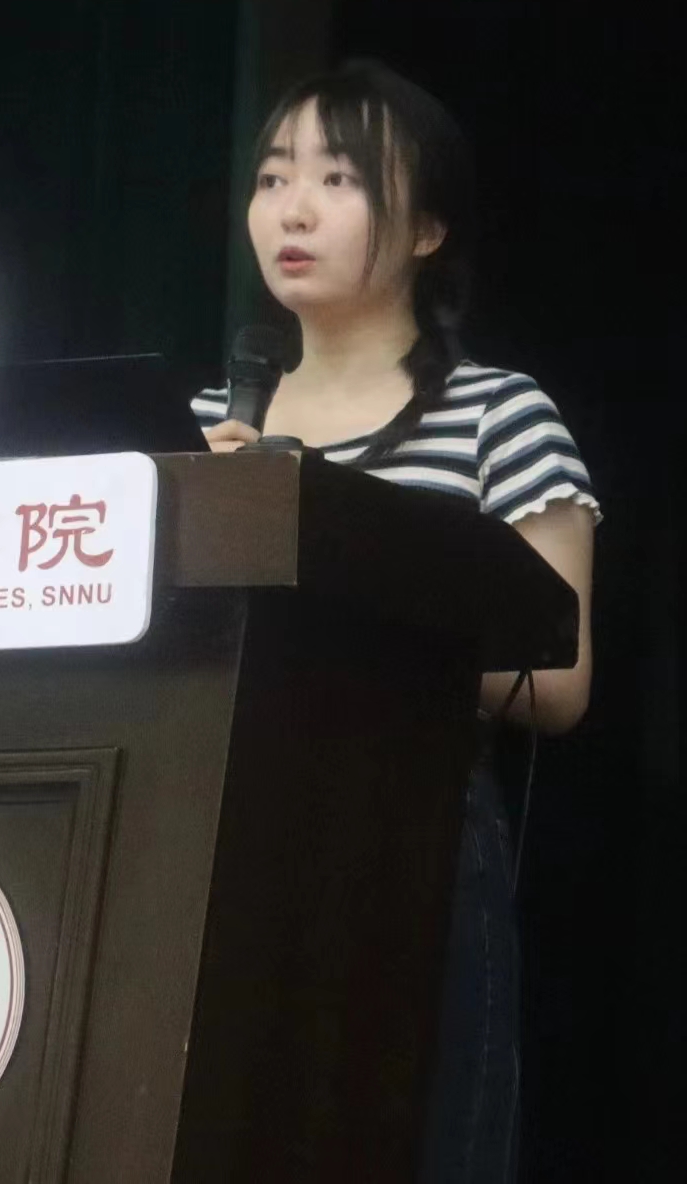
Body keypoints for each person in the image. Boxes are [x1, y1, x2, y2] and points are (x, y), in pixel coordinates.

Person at [193, 61, 599, 1182]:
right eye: (274, 178)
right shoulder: (206, 425)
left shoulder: (500, 416)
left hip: (413, 831)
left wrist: (338, 585)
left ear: (426, 229)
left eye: (340, 179)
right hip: (218, 832)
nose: (294, 208)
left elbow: (561, 679)